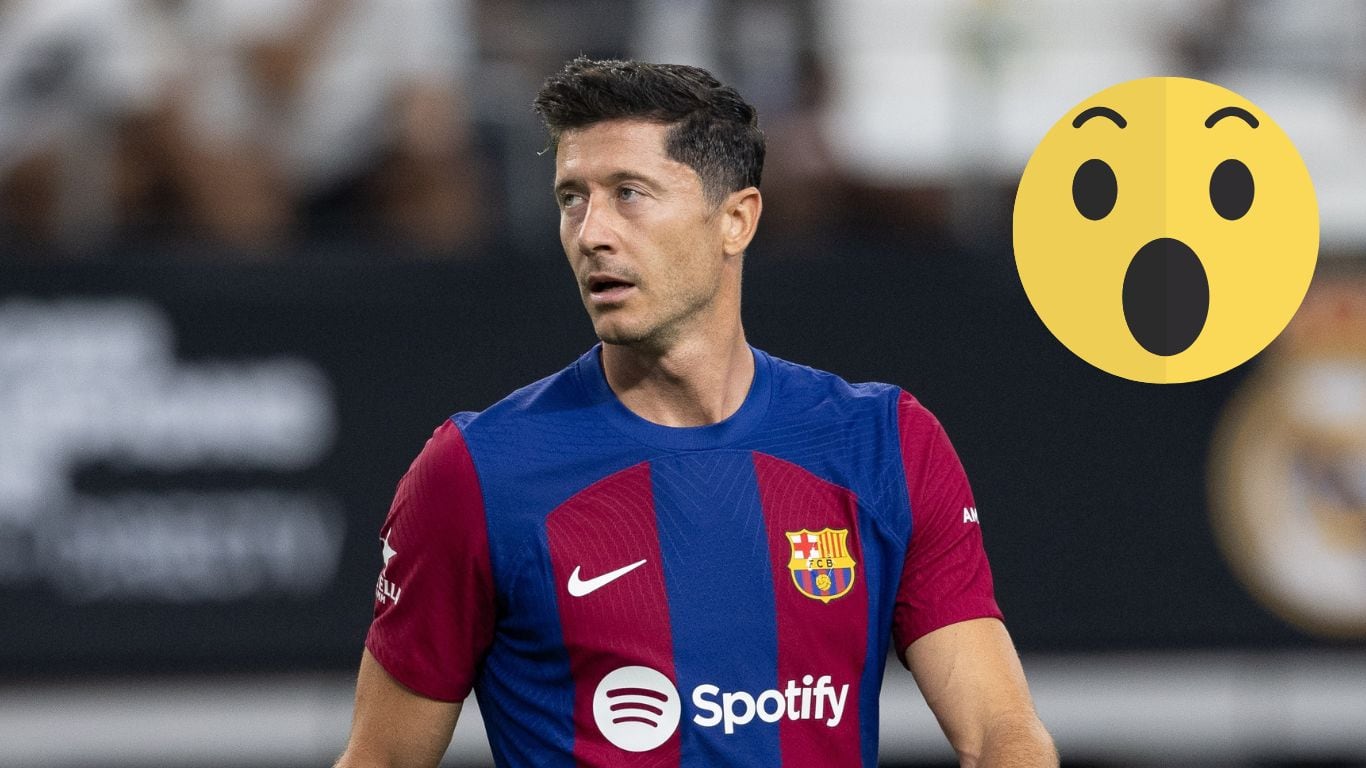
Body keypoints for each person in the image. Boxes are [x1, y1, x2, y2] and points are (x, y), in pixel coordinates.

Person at [336, 56, 1057, 767]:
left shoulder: (884, 445)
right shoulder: (477, 473)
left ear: (736, 220)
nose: (590, 233)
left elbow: (1001, 734)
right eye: (571, 198)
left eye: (629, 193)